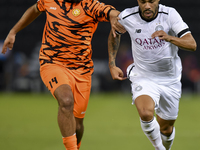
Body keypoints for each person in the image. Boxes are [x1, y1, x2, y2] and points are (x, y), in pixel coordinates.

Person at [1, 0, 125, 149]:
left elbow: (114, 14)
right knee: (66, 101)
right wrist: (13, 31)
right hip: (52, 63)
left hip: (82, 70)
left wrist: (114, 17)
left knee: (77, 125)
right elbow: (34, 9)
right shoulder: (50, 1)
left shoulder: (91, 5)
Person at [108, 0, 197, 150]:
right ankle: (159, 148)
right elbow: (114, 35)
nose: (147, 6)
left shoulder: (170, 15)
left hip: (170, 79)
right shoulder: (127, 17)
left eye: (151, 1)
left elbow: (192, 44)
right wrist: (112, 63)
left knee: (166, 130)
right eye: (143, 1)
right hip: (143, 76)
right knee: (145, 113)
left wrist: (169, 37)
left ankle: (165, 147)